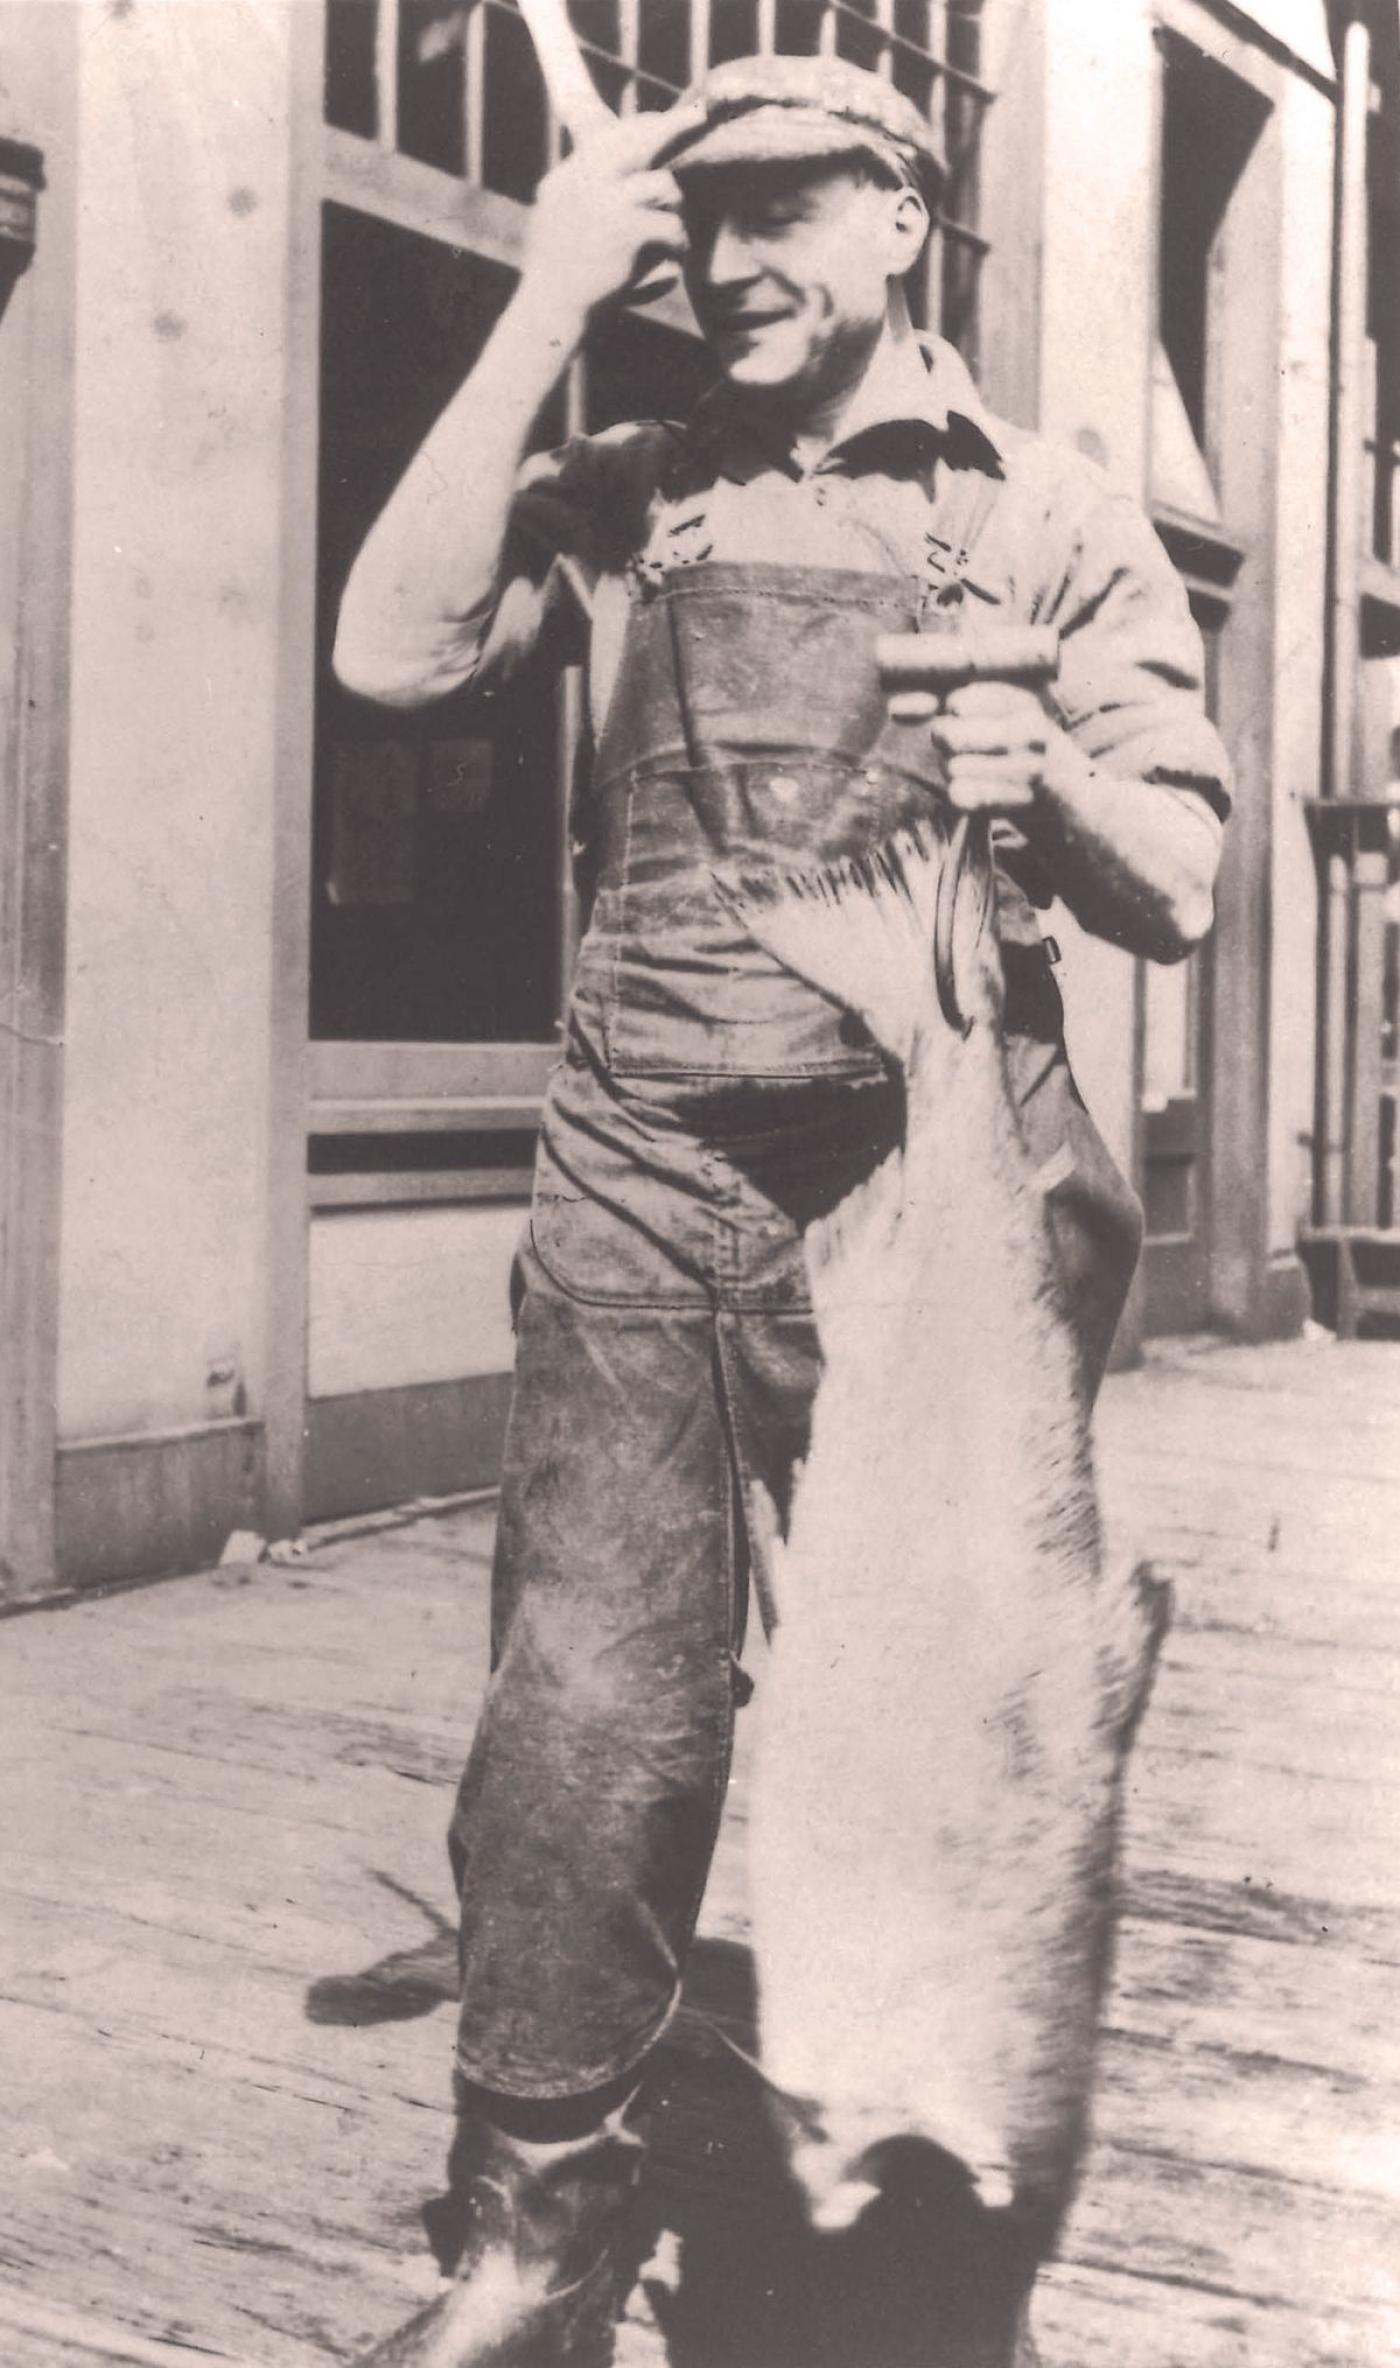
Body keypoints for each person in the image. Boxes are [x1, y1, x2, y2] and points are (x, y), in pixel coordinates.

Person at [335, 53, 1230, 2368]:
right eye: (695, 221)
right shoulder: (630, 488)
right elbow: (388, 654)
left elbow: (1190, 875)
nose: (725, 265)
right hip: (641, 1165)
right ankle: (528, 2232)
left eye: (784, 217)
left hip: (930, 1215)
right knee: (588, 1708)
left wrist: (1055, 791)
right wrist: (537, 304)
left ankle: (930, 2252)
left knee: (960, 1725)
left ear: (904, 220)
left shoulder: (1049, 507)